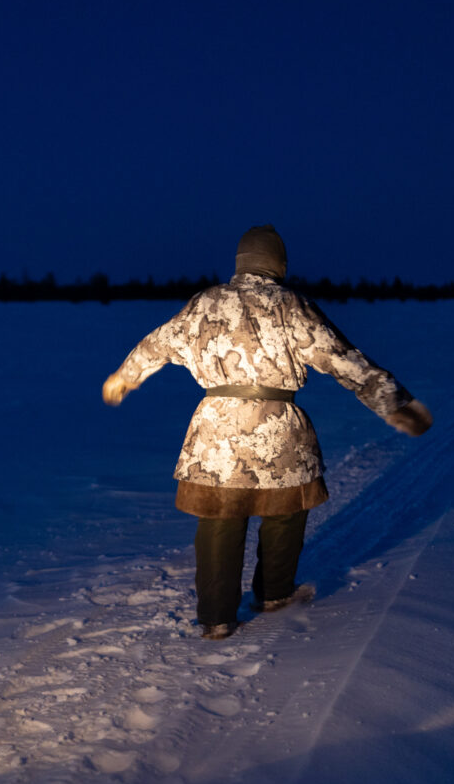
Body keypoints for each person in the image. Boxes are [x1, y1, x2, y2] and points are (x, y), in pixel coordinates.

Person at [102, 224, 432, 640]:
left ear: (240, 262)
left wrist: (124, 377)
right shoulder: (290, 305)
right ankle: (274, 594)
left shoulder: (203, 303)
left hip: (215, 431)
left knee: (219, 521)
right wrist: (393, 402)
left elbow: (156, 345)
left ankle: (216, 618)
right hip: (278, 431)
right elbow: (344, 360)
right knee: (286, 512)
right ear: (279, 264)